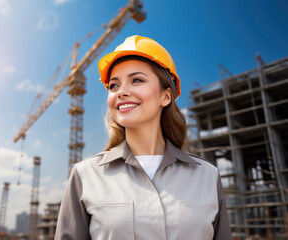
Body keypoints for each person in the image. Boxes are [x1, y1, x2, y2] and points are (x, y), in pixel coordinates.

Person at [55, 35, 232, 240]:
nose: (121, 92)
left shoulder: (207, 176)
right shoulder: (85, 176)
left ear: (166, 96)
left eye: (136, 80)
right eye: (114, 85)